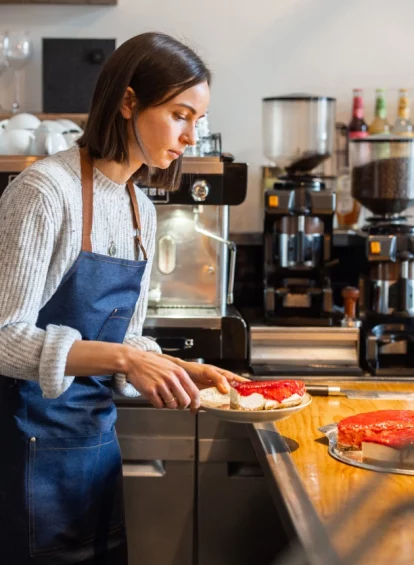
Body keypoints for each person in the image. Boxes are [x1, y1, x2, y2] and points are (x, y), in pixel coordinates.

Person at [0, 32, 245, 564]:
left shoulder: (141, 208)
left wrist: (180, 370)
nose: (190, 137)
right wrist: (125, 357)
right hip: (30, 455)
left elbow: (125, 341)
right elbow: (4, 339)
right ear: (128, 101)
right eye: (180, 115)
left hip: (96, 454)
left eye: (197, 121)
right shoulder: (45, 191)